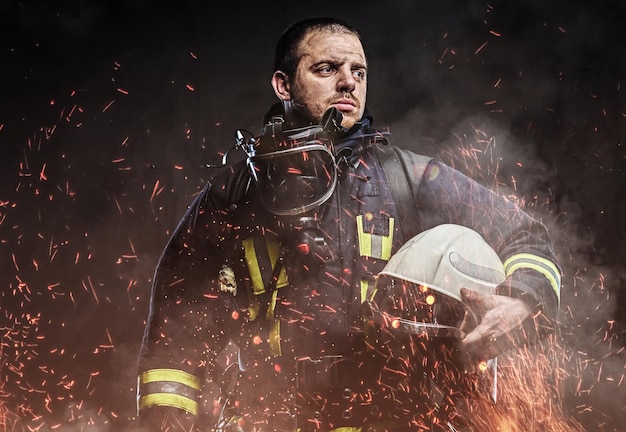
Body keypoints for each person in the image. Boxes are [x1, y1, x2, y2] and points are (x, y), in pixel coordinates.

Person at [136, 16, 561, 432]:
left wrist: (522, 299)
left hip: (386, 418)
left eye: (358, 71)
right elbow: (173, 334)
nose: (348, 82)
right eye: (326, 69)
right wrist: (166, 422)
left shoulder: (406, 178)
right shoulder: (235, 195)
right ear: (283, 84)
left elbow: (525, 233)